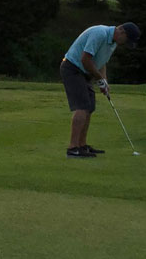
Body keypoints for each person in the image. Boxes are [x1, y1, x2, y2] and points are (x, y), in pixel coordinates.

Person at [60, 22, 140, 158]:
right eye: (126, 41)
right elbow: (85, 59)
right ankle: (73, 148)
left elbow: (102, 63)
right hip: (72, 68)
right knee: (82, 106)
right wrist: (99, 79)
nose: (123, 44)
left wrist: (105, 82)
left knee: (89, 107)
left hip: (84, 72)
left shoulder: (113, 43)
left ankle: (82, 145)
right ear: (122, 32)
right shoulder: (100, 34)